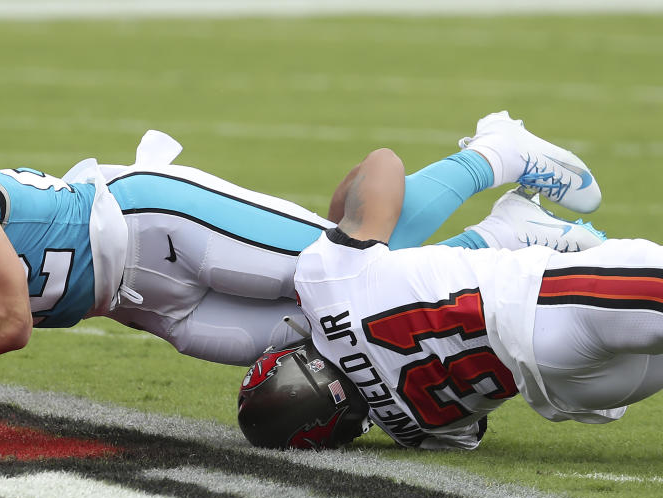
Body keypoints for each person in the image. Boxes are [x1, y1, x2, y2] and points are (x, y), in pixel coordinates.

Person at [0, 112, 602, 440]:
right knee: (349, 338)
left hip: (156, 221)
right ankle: (504, 241)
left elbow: (3, 319)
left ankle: (498, 156)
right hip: (138, 304)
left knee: (353, 272)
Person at [237, 150, 663, 452]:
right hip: (550, 302)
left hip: (574, 388)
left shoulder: (415, 435)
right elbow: (385, 163)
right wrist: (330, 233)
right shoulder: (325, 284)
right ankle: (502, 170)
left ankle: (507, 232)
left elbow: (470, 427)